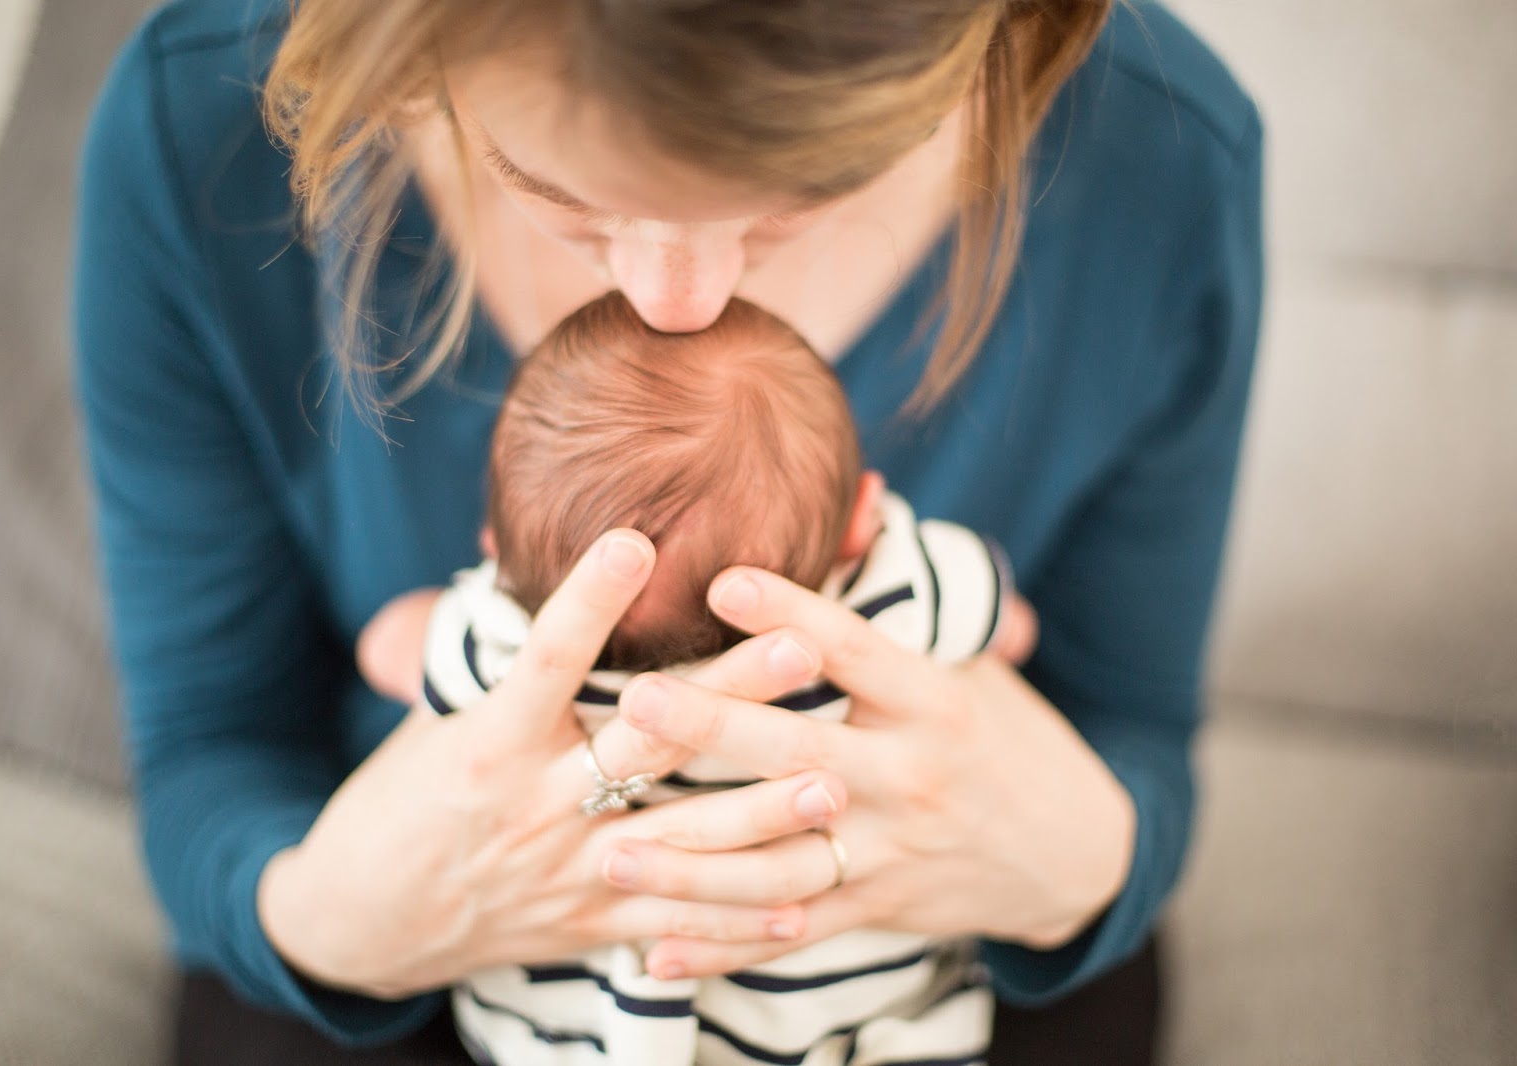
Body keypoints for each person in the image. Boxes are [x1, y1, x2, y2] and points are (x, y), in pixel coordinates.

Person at [72, 1, 1261, 1064]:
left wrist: (1090, 862)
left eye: (805, 192)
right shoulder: (198, 131)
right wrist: (323, 918)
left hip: (933, 915)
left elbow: (1130, 729)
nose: (675, 300)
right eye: (563, 200)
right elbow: (210, 747)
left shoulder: (1161, 158)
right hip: (430, 930)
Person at [357, 290, 1036, 1064]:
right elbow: (1011, 626)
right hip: (856, 1029)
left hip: (582, 1038)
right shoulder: (893, 594)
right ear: (861, 518)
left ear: (495, 549)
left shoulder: (507, 647)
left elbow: (387, 648)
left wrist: (439, 611)